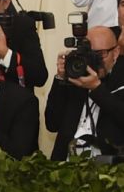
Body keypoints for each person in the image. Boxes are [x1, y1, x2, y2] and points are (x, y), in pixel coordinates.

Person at [44, 26, 124, 160]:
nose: (94, 60)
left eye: (100, 54)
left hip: (106, 166)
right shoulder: (76, 75)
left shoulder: (120, 80)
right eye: (89, 53)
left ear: (115, 52)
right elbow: (52, 124)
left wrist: (97, 89)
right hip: (65, 165)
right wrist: (61, 78)